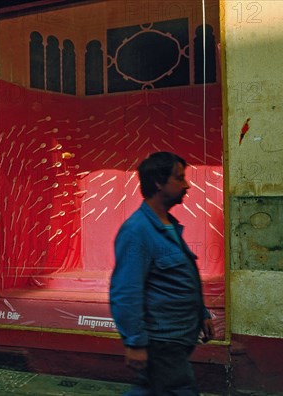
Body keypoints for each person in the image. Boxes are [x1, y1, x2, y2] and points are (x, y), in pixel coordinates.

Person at [109, 152, 214, 395]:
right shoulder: (137, 231)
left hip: (178, 339)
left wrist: (202, 312)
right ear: (158, 182)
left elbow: (180, 278)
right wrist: (134, 343)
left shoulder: (168, 225)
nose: (186, 185)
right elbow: (126, 292)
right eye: (179, 178)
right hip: (162, 342)